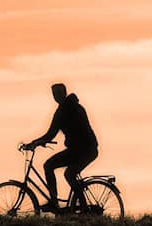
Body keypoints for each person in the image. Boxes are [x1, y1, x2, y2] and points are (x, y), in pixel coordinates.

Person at [23, 83, 99, 213]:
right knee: (61, 170)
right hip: (82, 149)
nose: (55, 97)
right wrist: (37, 142)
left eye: (57, 94)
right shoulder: (72, 107)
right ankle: (60, 202)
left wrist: (35, 143)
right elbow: (51, 134)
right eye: (54, 94)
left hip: (85, 150)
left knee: (63, 171)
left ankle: (70, 205)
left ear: (63, 93)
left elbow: (51, 134)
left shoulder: (64, 111)